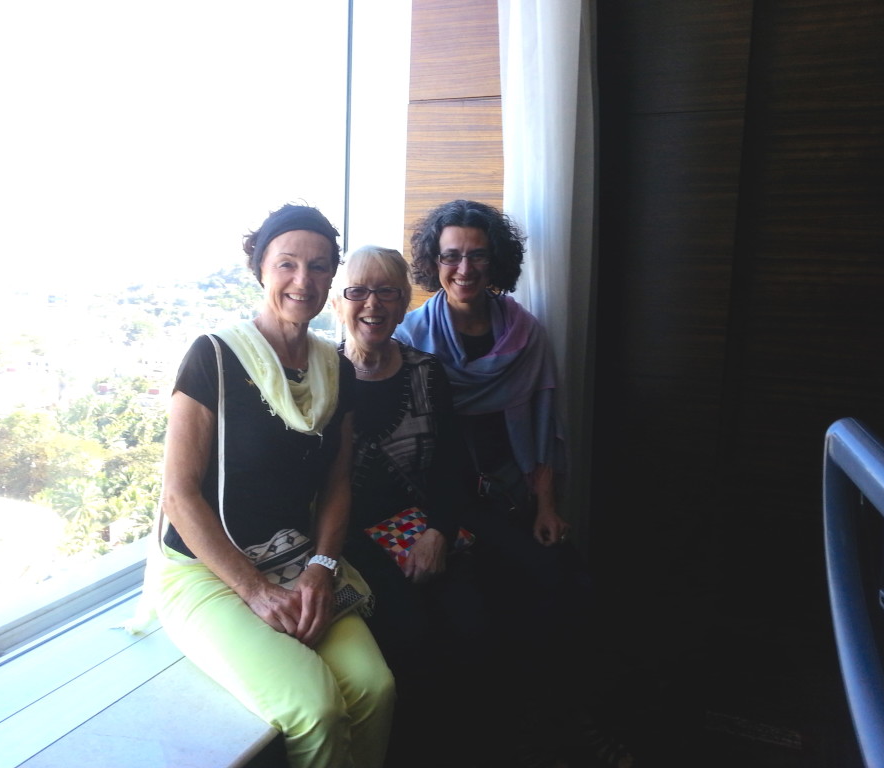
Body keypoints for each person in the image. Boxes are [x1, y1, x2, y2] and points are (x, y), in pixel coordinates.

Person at [142, 204, 395, 768]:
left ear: (333, 278)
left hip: (297, 563)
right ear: (261, 270)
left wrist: (322, 568)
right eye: (287, 264)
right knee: (315, 709)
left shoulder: (336, 368)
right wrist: (253, 589)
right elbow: (178, 495)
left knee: (375, 689)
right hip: (210, 572)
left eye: (319, 266)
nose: (302, 280)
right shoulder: (213, 356)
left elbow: (336, 484)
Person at [395, 200, 634, 768]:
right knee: (523, 603)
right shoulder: (411, 337)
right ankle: (552, 734)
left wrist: (546, 506)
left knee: (576, 591)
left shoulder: (525, 333)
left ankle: (571, 726)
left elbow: (545, 429)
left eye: (478, 255)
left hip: (515, 496)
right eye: (450, 256)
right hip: (450, 503)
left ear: (495, 260)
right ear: (434, 261)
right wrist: (437, 525)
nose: (464, 269)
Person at [331, 245, 490, 767]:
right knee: (410, 637)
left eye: (387, 292)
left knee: (472, 624)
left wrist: (439, 532)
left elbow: (451, 468)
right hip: (349, 543)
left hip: (421, 530)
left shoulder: (426, 371)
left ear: (404, 306)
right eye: (358, 291)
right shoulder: (319, 377)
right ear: (338, 303)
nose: (372, 304)